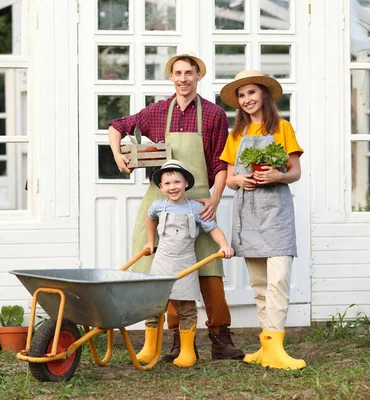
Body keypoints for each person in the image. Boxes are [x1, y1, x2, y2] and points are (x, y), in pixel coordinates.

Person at [108, 52, 244, 360]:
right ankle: (176, 341)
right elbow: (117, 126)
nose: (183, 78)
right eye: (178, 73)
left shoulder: (213, 115)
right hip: (159, 201)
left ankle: (221, 338)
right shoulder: (156, 112)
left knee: (210, 267)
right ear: (171, 76)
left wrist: (215, 197)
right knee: (163, 270)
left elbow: (221, 162)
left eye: (189, 73)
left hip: (198, 200)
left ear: (199, 76)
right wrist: (118, 155)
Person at [219, 69, 306, 370]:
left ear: (264, 95)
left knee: (278, 279)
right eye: (241, 96)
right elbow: (229, 178)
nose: (246, 100)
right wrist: (238, 180)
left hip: (277, 212)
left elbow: (295, 172)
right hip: (248, 212)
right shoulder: (236, 134)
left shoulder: (283, 128)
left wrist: (278, 175)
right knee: (258, 283)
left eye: (251, 93)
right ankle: (266, 347)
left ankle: (276, 345)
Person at [138, 160, 234, 368]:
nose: (173, 187)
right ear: (161, 187)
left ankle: (187, 351)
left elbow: (213, 229)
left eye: (177, 182)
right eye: (168, 183)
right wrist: (150, 241)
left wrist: (224, 245)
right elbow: (149, 218)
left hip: (186, 264)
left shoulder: (196, 207)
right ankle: (149, 348)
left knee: (186, 307)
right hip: (162, 263)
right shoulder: (157, 206)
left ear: (186, 184)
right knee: (154, 306)